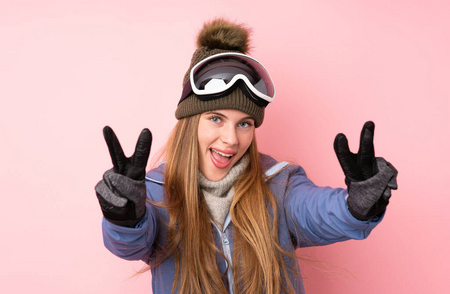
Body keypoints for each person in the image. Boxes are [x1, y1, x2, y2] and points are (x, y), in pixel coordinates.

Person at [95, 18, 398, 294]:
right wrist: (124, 217)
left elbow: (317, 210)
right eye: (216, 118)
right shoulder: (153, 194)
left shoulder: (280, 185)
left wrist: (356, 206)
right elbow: (130, 244)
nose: (230, 139)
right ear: (191, 122)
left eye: (244, 124)